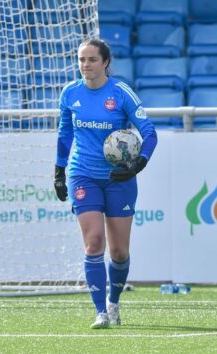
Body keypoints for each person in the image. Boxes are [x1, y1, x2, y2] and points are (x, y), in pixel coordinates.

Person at [54, 38, 158, 329]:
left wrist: (138, 164)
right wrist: (59, 171)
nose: (85, 65)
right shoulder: (70, 93)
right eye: (81, 60)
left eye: (91, 60)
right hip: (83, 174)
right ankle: (100, 311)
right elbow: (64, 135)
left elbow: (149, 133)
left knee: (119, 251)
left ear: (105, 63)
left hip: (118, 178)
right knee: (94, 242)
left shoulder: (121, 93)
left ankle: (113, 302)